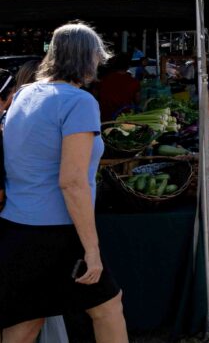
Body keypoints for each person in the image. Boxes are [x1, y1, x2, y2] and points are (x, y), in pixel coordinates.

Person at [0, 23, 128, 342]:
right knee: (108, 308)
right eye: (97, 58)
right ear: (87, 58)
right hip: (57, 230)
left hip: (18, 227)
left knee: (28, 320)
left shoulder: (24, 93)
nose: (98, 65)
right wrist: (92, 248)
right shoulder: (79, 101)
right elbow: (72, 182)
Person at [93, 53, 140, 120]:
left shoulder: (104, 79)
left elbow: (94, 97)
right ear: (128, 66)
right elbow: (137, 101)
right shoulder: (134, 82)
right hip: (124, 119)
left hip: (105, 118)